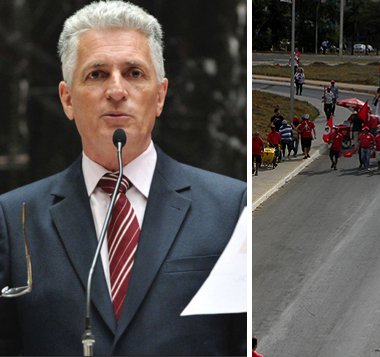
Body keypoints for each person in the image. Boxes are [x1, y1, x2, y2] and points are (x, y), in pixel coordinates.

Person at [0, 2, 246, 354]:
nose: (116, 91)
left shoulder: (229, 207)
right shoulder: (13, 218)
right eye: (97, 74)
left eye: (133, 73)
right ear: (67, 99)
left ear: (159, 96)